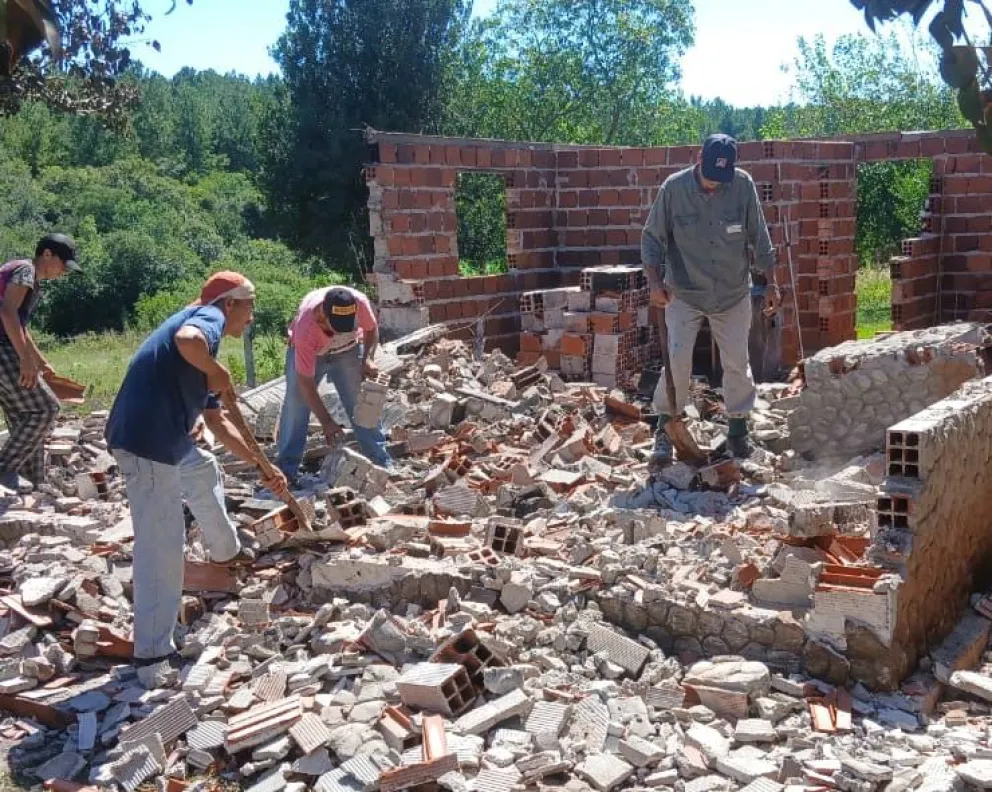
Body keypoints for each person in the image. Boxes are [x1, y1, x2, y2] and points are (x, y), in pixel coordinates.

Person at [105, 271, 288, 665]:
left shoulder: (203, 341)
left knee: (202, 468)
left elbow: (219, 425)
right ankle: (152, 652)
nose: (251, 318)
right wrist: (216, 371)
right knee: (162, 544)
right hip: (148, 444)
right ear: (230, 303)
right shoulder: (207, 319)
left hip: (169, 439)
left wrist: (262, 464)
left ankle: (225, 551)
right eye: (250, 307)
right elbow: (187, 341)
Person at [641, 133, 780, 466]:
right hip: (684, 293)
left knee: (736, 360)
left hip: (731, 292)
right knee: (677, 360)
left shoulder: (742, 186)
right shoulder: (673, 190)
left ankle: (737, 430)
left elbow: (760, 237)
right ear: (698, 157)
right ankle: (664, 427)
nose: (714, 185)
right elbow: (651, 239)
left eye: (721, 179)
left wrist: (772, 283)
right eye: (709, 176)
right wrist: (655, 283)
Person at [275, 285, 392, 482]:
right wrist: (327, 422)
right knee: (296, 404)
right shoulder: (306, 328)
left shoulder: (360, 303)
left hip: (347, 351)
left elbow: (371, 329)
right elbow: (306, 384)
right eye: (335, 325)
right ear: (322, 313)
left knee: (359, 402)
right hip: (312, 352)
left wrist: (368, 359)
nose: (339, 330)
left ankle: (380, 461)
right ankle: (287, 469)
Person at [0, 234, 81, 491]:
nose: (64, 272)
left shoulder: (30, 280)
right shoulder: (25, 271)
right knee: (46, 409)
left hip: (8, 346)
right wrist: (25, 359)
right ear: (47, 254)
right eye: (63, 265)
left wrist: (40, 361)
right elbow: (7, 312)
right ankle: (3, 469)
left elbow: (20, 324)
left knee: (24, 418)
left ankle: (35, 483)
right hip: (3, 349)